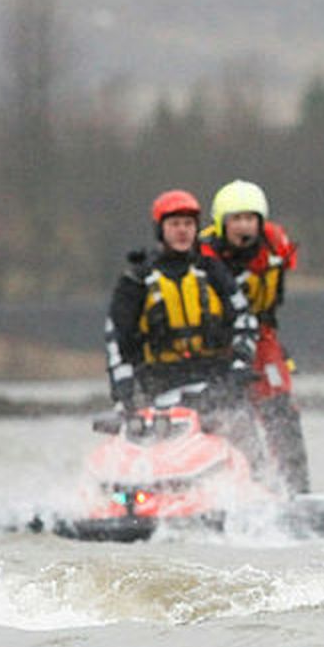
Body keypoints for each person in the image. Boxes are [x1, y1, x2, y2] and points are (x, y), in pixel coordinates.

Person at [104, 188, 259, 410]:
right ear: (160, 229)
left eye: (188, 224)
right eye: (174, 224)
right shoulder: (137, 280)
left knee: (241, 420)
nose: (182, 231)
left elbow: (244, 319)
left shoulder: (213, 271)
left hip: (215, 383)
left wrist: (240, 364)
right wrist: (124, 391)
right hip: (160, 386)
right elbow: (117, 338)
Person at [201, 179, 310, 494]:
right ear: (222, 223)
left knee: (281, 410)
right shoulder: (203, 255)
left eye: (250, 219)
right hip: (217, 344)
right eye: (236, 219)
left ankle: (296, 489)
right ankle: (252, 482)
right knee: (233, 416)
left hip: (262, 337)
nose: (244, 227)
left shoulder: (275, 243)